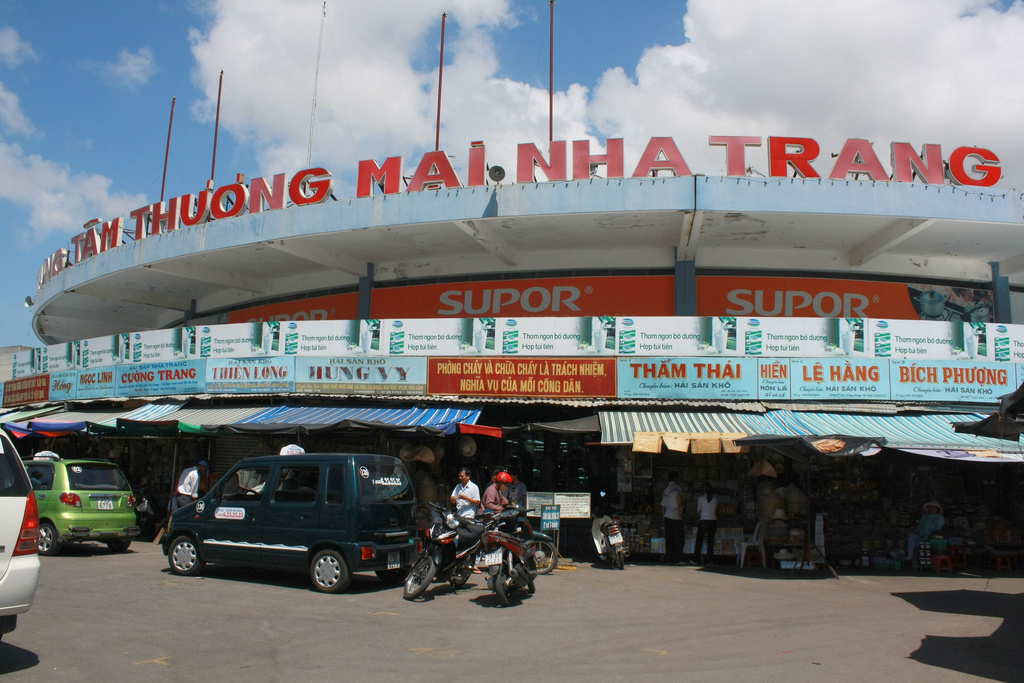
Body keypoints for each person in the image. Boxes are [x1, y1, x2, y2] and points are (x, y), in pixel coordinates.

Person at [907, 501, 945, 568]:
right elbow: (919, 527)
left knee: (917, 544)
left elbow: (938, 530)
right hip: (922, 535)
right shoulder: (925, 516)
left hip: (932, 538)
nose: (931, 508)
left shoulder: (939, 518)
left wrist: (931, 535)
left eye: (933, 507)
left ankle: (915, 562)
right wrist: (915, 532)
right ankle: (909, 556)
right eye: (930, 507)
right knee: (912, 537)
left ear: (937, 509)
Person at [661, 471, 684, 564]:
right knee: (678, 538)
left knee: (669, 538)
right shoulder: (676, 488)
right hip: (675, 515)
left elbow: (662, 505)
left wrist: (663, 516)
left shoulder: (666, 489)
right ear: (676, 478)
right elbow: (679, 497)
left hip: (667, 515)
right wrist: (681, 507)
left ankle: (669, 558)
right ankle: (677, 558)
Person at [694, 481, 719, 565]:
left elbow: (698, 510)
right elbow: (715, 510)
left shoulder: (701, 498)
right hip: (713, 520)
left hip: (704, 520)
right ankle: (709, 560)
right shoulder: (715, 498)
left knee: (699, 540)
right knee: (710, 540)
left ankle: (697, 559)